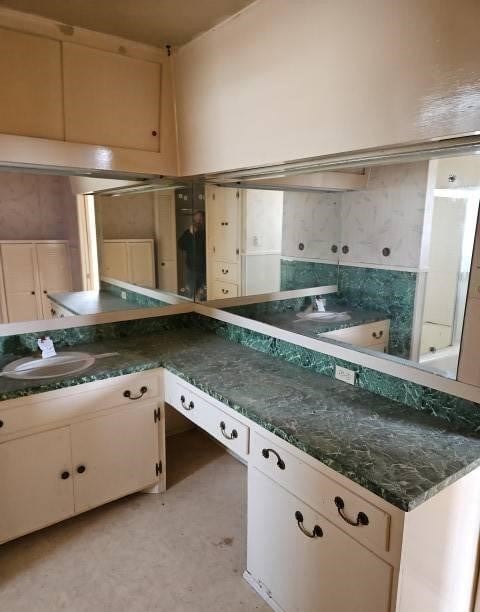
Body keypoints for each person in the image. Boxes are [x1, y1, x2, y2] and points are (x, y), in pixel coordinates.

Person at [177, 210, 206, 300]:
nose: (198, 222)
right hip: (191, 268)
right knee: (191, 294)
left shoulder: (207, 232)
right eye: (196, 220)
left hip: (206, 269)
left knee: (204, 294)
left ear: (204, 220)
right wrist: (190, 234)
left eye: (200, 219)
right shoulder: (188, 233)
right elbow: (181, 245)